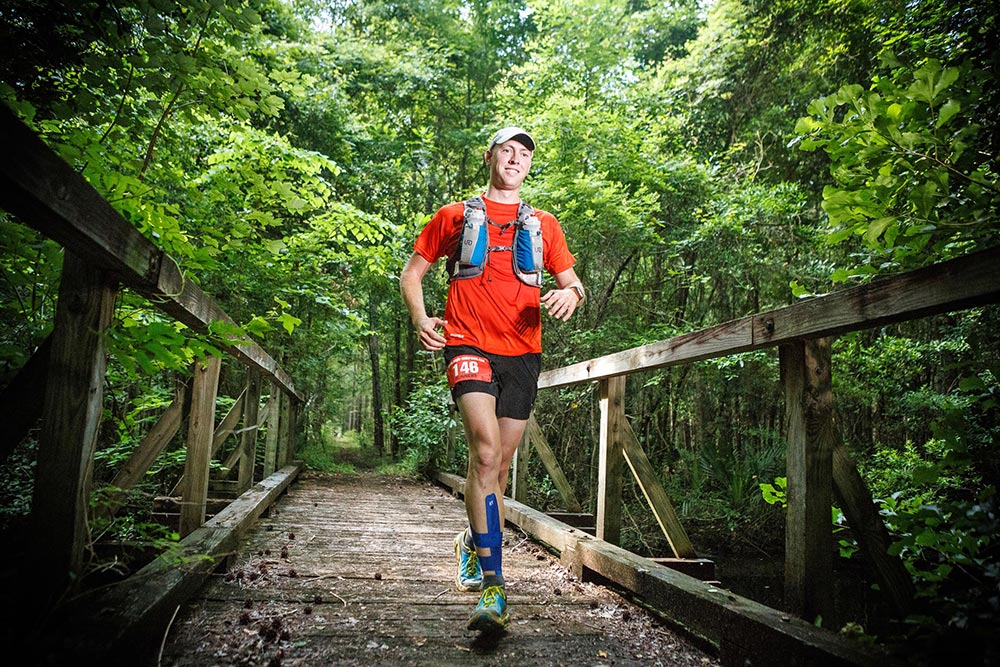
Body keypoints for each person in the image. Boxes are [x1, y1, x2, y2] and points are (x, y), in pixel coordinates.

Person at [400, 126, 584, 634]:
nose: (516, 158)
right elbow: (412, 273)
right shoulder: (454, 216)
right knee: (484, 454)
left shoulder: (544, 224)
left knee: (499, 467)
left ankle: (469, 539)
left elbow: (572, 283)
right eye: (508, 150)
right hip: (466, 342)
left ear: (529, 165)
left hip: (523, 353)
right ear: (490, 157)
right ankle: (494, 585)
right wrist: (421, 319)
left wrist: (574, 296)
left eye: (524, 154)